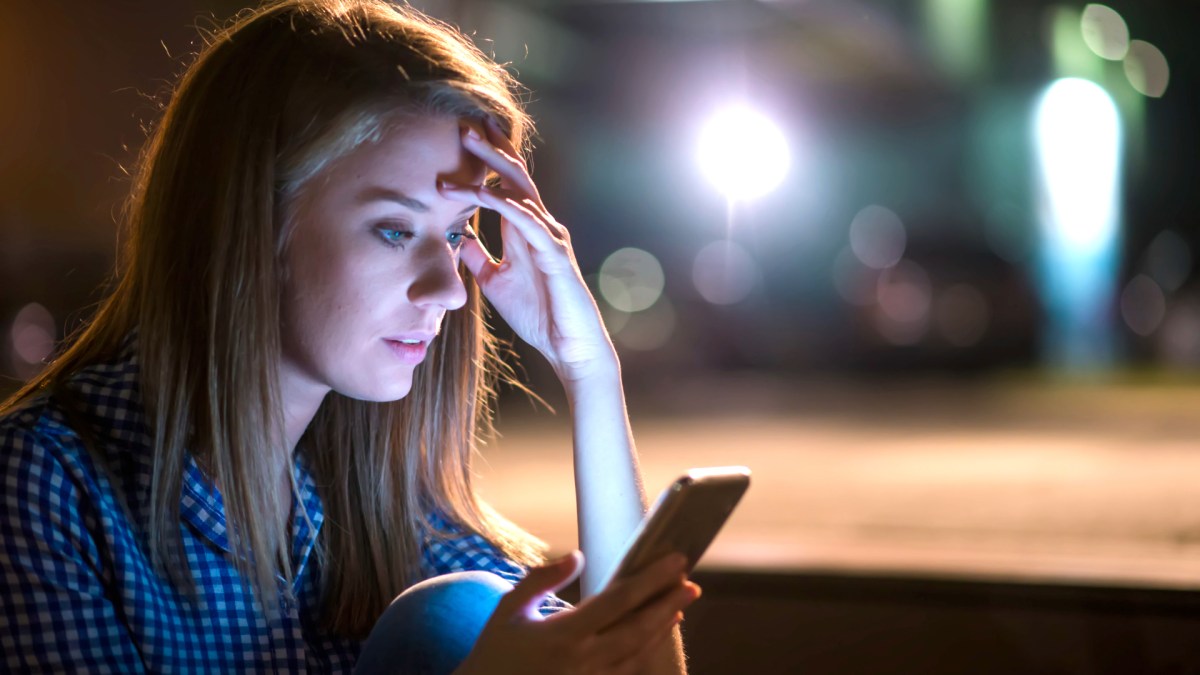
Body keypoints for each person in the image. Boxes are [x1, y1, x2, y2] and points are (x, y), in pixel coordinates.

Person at [0, 1, 700, 672]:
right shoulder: (45, 483)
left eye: (456, 233)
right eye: (395, 230)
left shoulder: (368, 494)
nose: (451, 287)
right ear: (254, 222)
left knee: (462, 611)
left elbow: (631, 667)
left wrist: (587, 368)